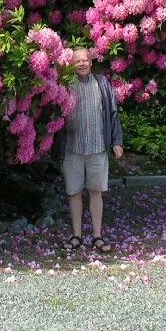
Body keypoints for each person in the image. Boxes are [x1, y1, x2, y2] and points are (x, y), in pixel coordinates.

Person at [59, 47, 123, 251]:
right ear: (71, 64)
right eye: (77, 61)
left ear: (91, 62)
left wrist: (117, 141)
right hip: (72, 149)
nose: (81, 64)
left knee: (96, 192)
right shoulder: (65, 85)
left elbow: (113, 114)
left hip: (97, 148)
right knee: (74, 193)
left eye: (85, 60)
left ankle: (97, 236)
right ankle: (76, 235)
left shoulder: (102, 83)